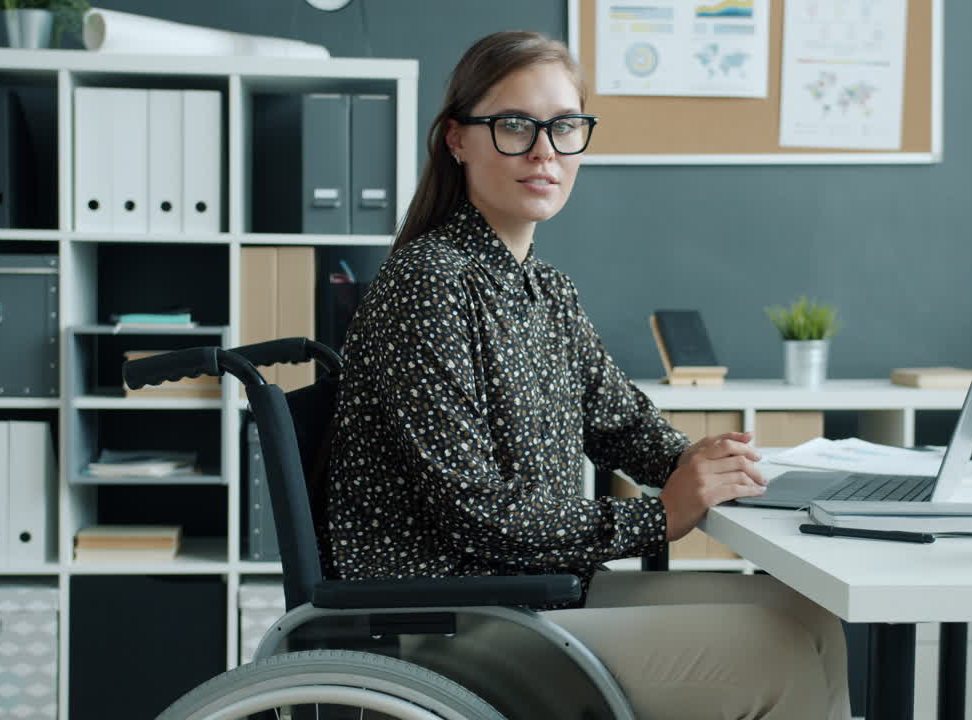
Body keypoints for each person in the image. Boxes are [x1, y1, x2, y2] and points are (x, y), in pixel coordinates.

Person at [323, 30, 850, 720]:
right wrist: (660, 516)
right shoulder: (430, 283)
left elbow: (622, 425)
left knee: (808, 615)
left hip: (529, 591)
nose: (545, 151)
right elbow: (478, 515)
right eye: (515, 125)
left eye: (565, 127)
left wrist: (706, 464)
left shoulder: (544, 287)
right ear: (457, 139)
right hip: (449, 618)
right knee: (775, 654)